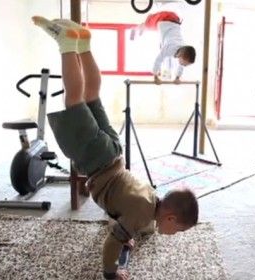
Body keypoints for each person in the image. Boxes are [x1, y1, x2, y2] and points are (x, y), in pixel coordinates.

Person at [31, 16, 199, 280]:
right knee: (74, 100)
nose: (172, 235)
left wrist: (126, 235)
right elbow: (112, 241)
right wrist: (112, 272)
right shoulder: (142, 215)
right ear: (169, 218)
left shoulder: (151, 197)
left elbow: (127, 213)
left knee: (91, 96)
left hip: (113, 152)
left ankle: (83, 45)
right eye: (176, 230)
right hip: (98, 159)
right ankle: (67, 46)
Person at [130, 11, 196, 84]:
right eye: (185, 64)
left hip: (174, 22)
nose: (185, 65)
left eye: (186, 65)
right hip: (165, 20)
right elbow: (158, 60)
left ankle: (142, 28)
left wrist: (177, 78)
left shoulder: (183, 50)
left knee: (151, 28)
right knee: (148, 25)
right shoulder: (169, 48)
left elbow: (181, 66)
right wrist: (155, 77)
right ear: (181, 56)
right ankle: (135, 29)